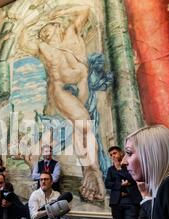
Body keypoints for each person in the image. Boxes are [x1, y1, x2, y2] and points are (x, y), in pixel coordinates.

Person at [20, 6, 105, 201]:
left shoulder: (71, 34)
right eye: (42, 34)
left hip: (81, 93)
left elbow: (84, 10)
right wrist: (32, 21)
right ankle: (92, 171)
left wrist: (56, 10)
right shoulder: (45, 48)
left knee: (70, 132)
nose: (44, 34)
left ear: (57, 26)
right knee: (83, 124)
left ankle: (34, 159)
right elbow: (25, 42)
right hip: (60, 93)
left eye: (46, 30)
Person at [105, 146, 141, 219]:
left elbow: (133, 179)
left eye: (115, 153)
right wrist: (120, 185)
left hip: (131, 202)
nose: (113, 156)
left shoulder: (130, 165)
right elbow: (107, 183)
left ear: (121, 153)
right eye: (111, 155)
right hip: (116, 203)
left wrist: (119, 169)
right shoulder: (110, 169)